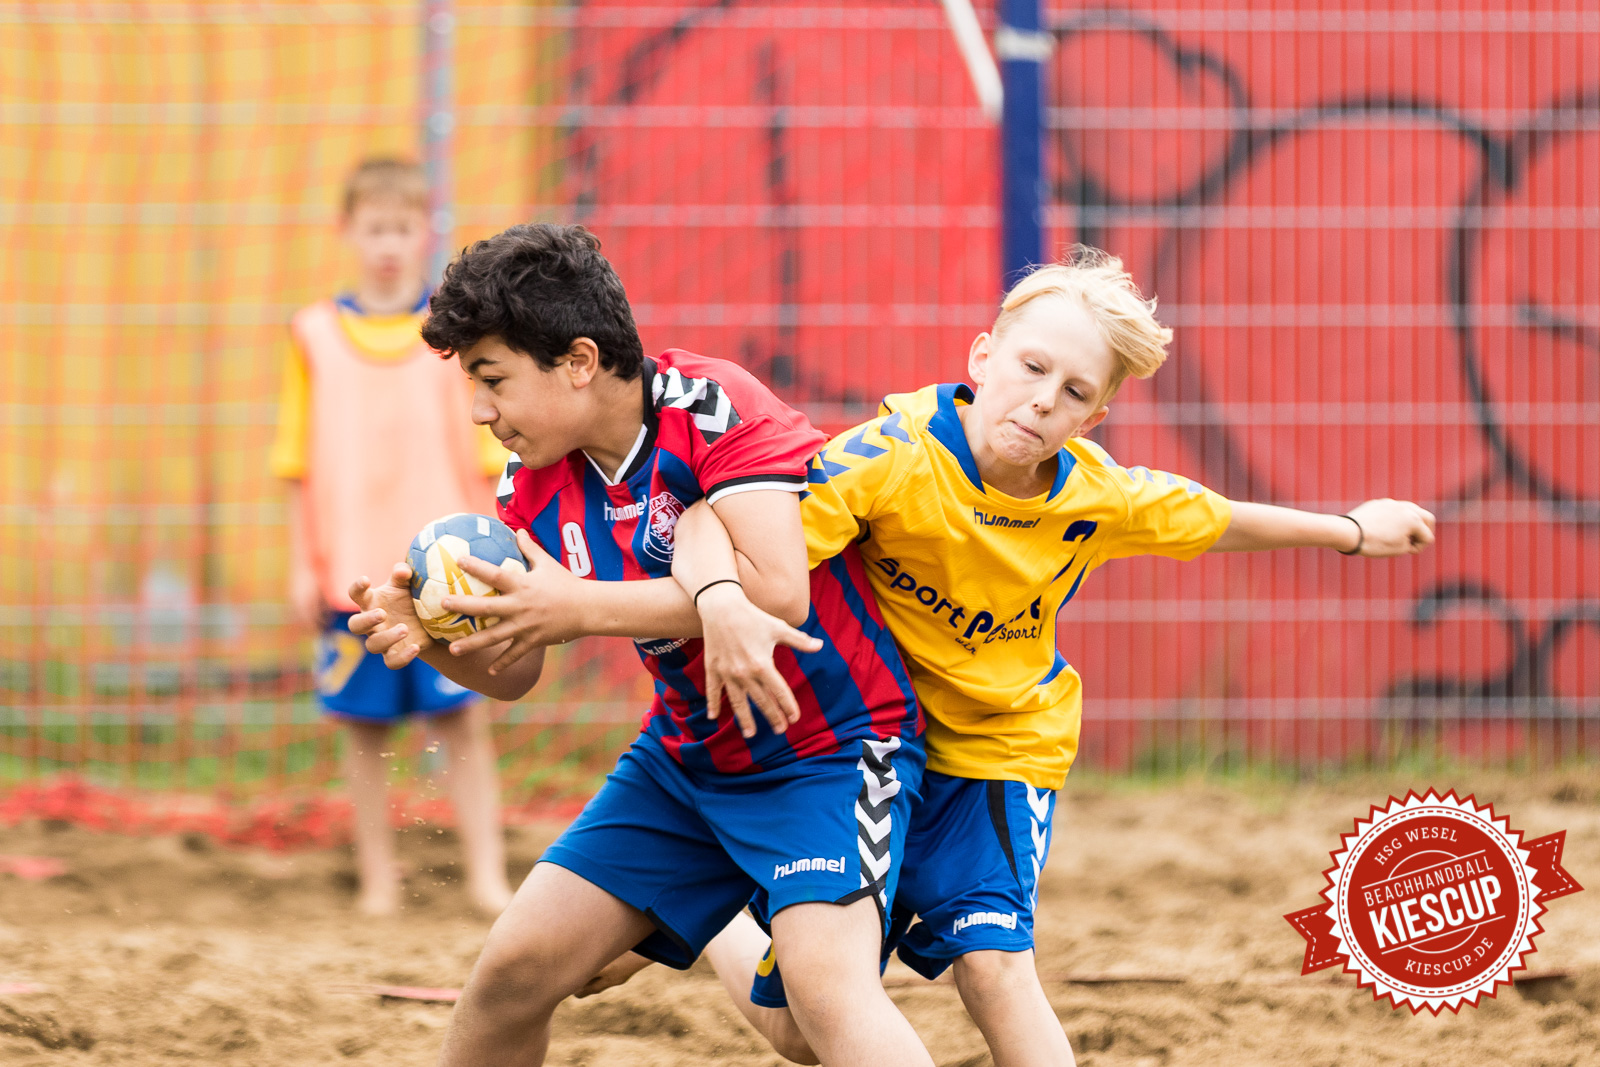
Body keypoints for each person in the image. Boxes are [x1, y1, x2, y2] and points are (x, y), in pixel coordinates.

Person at [585, 247, 1437, 1066]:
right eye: (1030, 368)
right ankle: (724, 910)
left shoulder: (1094, 494)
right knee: (798, 1032)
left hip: (1000, 750)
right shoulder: (890, 456)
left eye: (1072, 392)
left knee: (994, 966)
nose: (1041, 402)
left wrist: (1354, 531)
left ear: (1093, 417)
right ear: (983, 356)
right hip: (868, 750)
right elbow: (724, 526)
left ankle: (728, 899)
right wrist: (698, 596)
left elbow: (1214, 517)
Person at [346, 223, 933, 1067]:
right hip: (687, 763)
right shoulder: (530, 483)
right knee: (511, 973)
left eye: (493, 379)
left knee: (816, 1014)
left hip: (831, 749)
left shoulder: (710, 404)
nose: (480, 410)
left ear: (579, 361)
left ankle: (710, 907)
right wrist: (432, 642)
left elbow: (774, 588)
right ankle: (712, 899)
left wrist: (577, 605)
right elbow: (516, 671)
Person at [269, 158, 513, 917]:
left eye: (402, 228)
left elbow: (486, 454)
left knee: (462, 720)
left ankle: (485, 876)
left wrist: (499, 550)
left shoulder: (452, 336)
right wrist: (299, 563)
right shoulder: (312, 335)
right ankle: (379, 879)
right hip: (351, 574)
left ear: (423, 233)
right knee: (364, 729)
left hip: (447, 578)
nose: (388, 243)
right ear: (347, 231)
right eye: (374, 227)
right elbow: (295, 460)